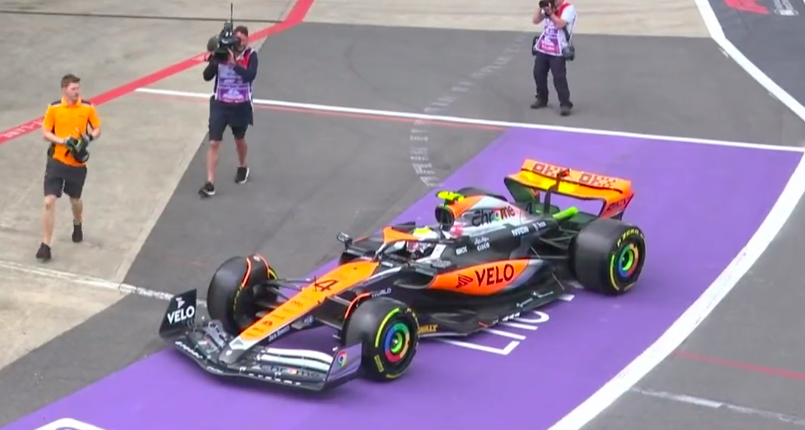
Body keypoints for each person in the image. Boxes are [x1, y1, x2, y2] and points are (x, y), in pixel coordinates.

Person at [37, 74, 102, 262]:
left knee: (75, 200)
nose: (77, 92)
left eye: (78, 88)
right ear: (65, 89)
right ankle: (46, 245)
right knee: (49, 201)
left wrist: (89, 137)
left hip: (77, 165)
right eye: (74, 89)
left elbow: (97, 128)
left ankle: (78, 222)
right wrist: (62, 141)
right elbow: (45, 133)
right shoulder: (54, 108)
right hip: (56, 161)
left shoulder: (87, 107)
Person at [199, 25, 259, 197]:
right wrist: (215, 59)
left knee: (239, 140)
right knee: (214, 143)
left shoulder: (251, 55)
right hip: (220, 104)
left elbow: (250, 76)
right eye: (236, 38)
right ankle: (210, 182)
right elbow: (207, 76)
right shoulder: (222, 53)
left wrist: (234, 64)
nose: (238, 42)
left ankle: (242, 165)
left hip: (241, 105)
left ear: (247, 39)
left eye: (242, 39)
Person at [531, 0, 577, 116]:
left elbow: (560, 24)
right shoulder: (548, 6)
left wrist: (550, 13)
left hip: (558, 50)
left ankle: (565, 104)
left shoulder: (568, 8)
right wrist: (540, 7)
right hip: (544, 47)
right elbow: (535, 20)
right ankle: (542, 98)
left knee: (559, 78)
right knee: (538, 74)